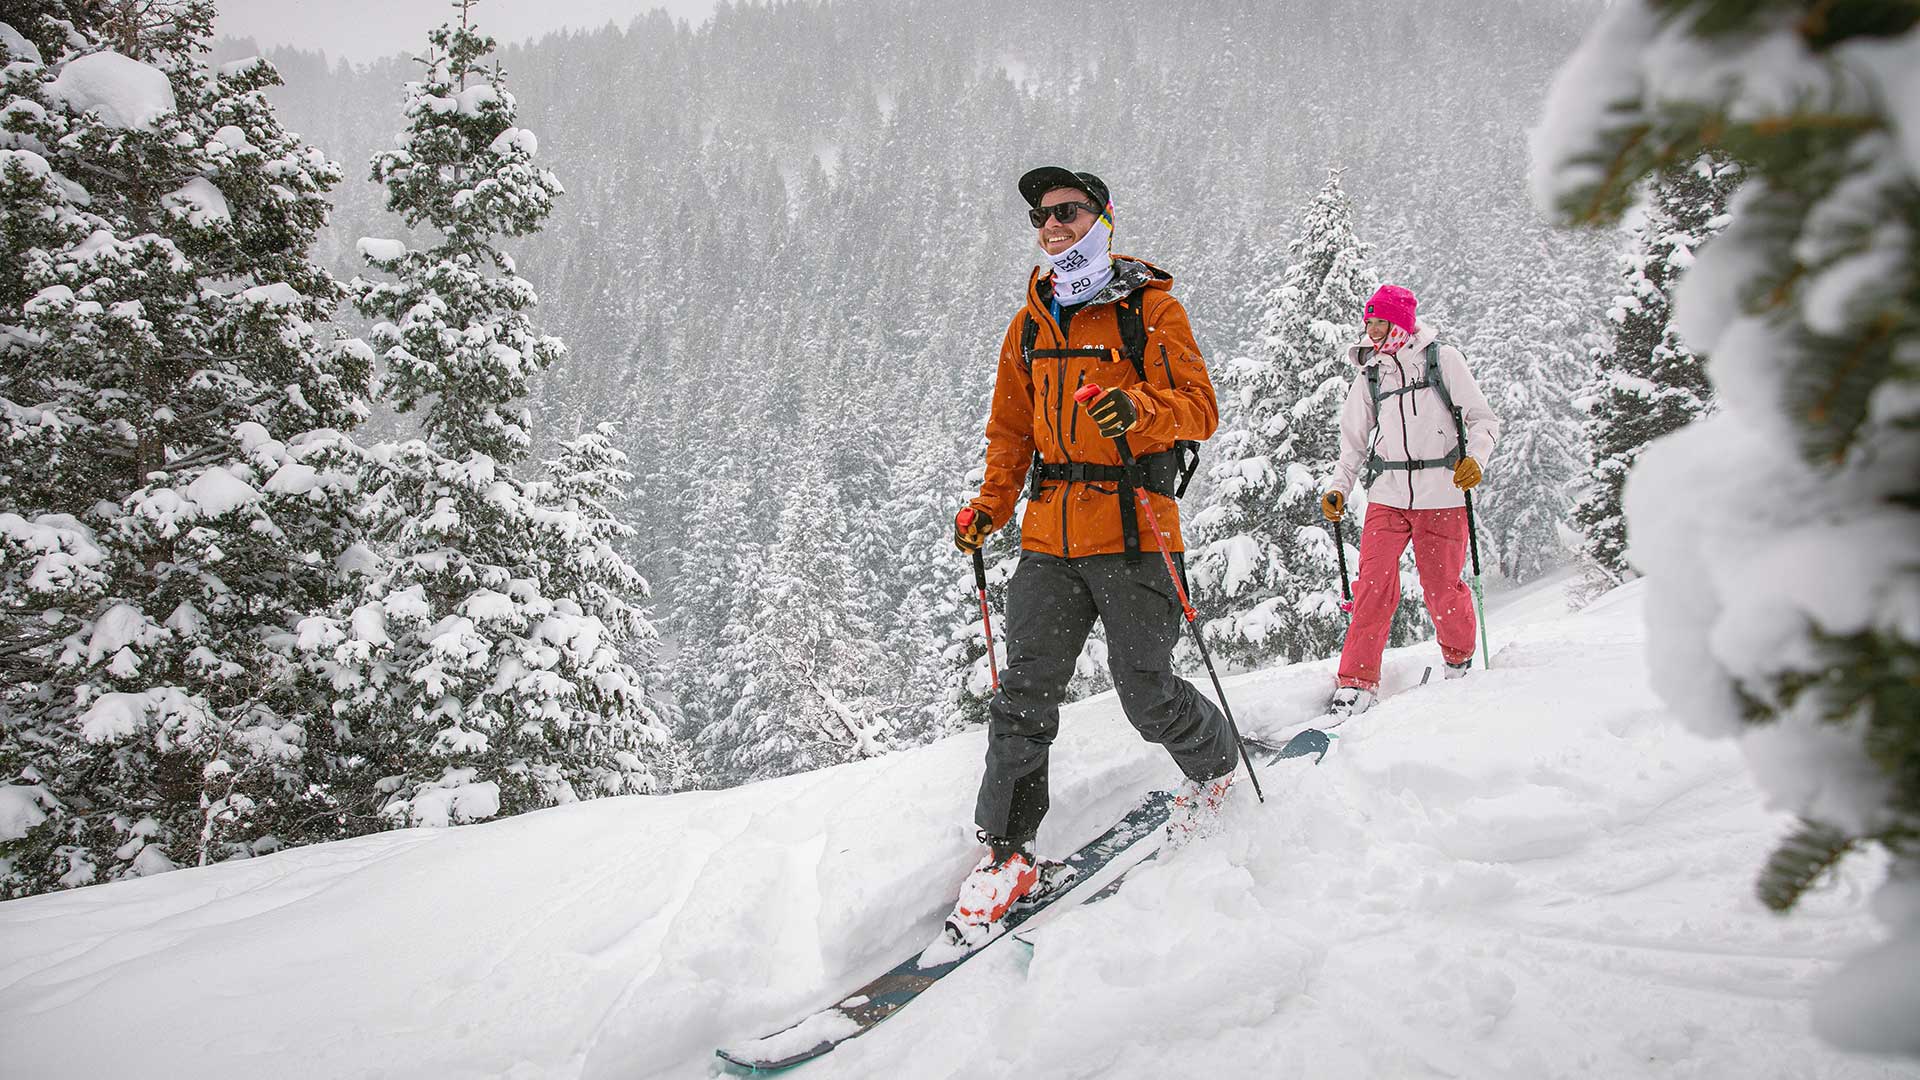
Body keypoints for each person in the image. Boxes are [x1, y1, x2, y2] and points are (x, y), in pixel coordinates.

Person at [943, 166, 1238, 945]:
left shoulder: (1150, 308)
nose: (1051, 225)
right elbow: (1010, 433)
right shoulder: (1031, 323)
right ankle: (1006, 852)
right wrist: (990, 508)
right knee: (1023, 698)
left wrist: (1137, 407)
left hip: (1135, 530)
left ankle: (1215, 764)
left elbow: (1200, 409)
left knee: (1147, 694)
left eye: (1066, 211)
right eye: (1041, 216)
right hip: (1048, 538)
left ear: (1101, 219)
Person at [1320, 284, 1500, 716]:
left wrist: (1476, 458)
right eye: (1368, 323)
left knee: (1442, 586)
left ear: (1398, 322)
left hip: (1442, 493)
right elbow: (1353, 442)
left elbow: (1482, 418)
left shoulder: (1443, 360)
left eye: (1378, 322)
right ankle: (1357, 680)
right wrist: (1338, 487)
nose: (1371, 331)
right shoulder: (1370, 374)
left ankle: (1458, 659)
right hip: (1388, 496)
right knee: (1373, 585)